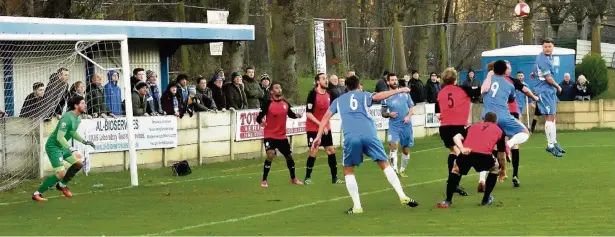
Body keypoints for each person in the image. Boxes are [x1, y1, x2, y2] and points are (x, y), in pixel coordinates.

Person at [311, 75, 419, 214]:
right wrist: (399, 90)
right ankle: (402, 195)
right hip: (369, 135)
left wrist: (318, 136)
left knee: (348, 170)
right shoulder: (364, 95)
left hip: (351, 137)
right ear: (358, 85)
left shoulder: (338, 100)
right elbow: (379, 96)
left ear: (346, 87)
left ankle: (357, 206)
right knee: (384, 164)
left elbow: (325, 117)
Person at [435, 112, 506, 208]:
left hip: (467, 153)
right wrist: (503, 170)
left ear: (484, 120)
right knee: (495, 167)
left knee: (455, 169)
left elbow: (456, 137)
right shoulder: (500, 130)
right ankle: (486, 199)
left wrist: (462, 148)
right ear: (496, 121)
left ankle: (448, 200)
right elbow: (502, 155)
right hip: (484, 156)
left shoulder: (472, 127)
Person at [32, 96, 96, 201]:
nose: (85, 105)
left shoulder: (78, 118)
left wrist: (84, 141)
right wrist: (71, 149)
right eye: (83, 103)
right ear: (76, 105)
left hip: (62, 146)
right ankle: (37, 194)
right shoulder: (67, 117)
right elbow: (60, 137)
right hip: (54, 147)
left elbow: (71, 132)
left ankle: (62, 185)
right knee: (60, 173)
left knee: (78, 164)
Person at [480, 60, 532, 181]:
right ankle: (509, 146)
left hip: (487, 118)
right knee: (524, 133)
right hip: (504, 116)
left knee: (487, 148)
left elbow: (482, 91)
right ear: (505, 70)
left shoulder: (488, 80)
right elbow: (512, 98)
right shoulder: (510, 83)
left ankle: (482, 179)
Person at [434, 67, 480, 197]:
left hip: (444, 128)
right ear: (455, 79)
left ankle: (453, 183)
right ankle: (453, 183)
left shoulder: (440, 92)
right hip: (458, 127)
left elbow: (437, 111)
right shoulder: (462, 89)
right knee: (462, 155)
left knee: (454, 152)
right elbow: (479, 92)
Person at [256, 83, 304, 187]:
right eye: (276, 88)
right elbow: (258, 117)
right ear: (272, 91)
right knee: (270, 154)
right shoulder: (268, 103)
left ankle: (294, 178)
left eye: (280, 87)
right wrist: (261, 122)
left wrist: (296, 115)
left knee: (289, 157)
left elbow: (290, 114)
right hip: (269, 134)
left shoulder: (285, 103)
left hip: (281, 136)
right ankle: (264, 180)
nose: (279, 89)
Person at [304, 73, 344, 185]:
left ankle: (335, 178)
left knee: (331, 150)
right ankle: (307, 177)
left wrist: (325, 124)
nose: (326, 80)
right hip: (313, 128)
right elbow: (308, 114)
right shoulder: (312, 94)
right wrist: (321, 124)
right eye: (323, 79)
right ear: (317, 81)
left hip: (326, 127)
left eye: (326, 78)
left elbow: (330, 111)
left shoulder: (329, 94)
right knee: (314, 150)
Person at [534, 38, 565, 157]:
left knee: (553, 117)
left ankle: (554, 142)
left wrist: (534, 74)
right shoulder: (543, 60)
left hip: (549, 91)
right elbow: (548, 79)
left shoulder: (546, 57)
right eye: (545, 46)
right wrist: (558, 87)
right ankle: (550, 145)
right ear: (542, 47)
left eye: (549, 46)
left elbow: (535, 70)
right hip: (544, 91)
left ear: (553, 47)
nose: (547, 48)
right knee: (548, 117)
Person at [381, 73, 414, 177]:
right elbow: (383, 112)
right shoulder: (385, 96)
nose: (394, 81)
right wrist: (389, 114)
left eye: (395, 80)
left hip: (406, 125)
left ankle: (402, 170)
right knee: (394, 146)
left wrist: (408, 116)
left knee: (406, 149)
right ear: (388, 82)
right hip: (394, 125)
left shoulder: (405, 93)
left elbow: (411, 108)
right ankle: (394, 170)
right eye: (392, 80)